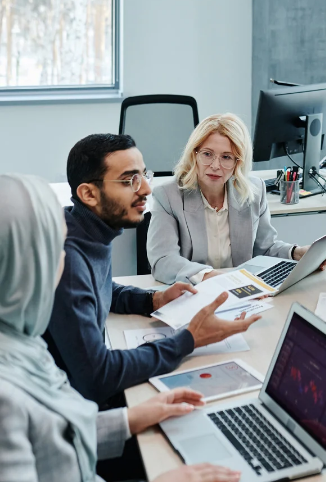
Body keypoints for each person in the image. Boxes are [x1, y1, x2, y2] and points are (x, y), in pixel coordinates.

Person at [0, 172, 241, 482]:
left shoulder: (23, 342)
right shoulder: (6, 395)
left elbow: (55, 435)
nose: (64, 260)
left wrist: (130, 418)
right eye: (56, 249)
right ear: (22, 263)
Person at [45, 133, 260, 407]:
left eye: (144, 174)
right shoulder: (69, 259)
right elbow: (97, 375)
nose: (146, 188)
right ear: (88, 194)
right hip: (70, 412)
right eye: (129, 180)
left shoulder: (85, 228)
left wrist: (152, 300)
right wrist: (189, 340)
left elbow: (100, 287)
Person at [148, 113, 326, 285]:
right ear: (194, 154)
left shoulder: (254, 191)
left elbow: (264, 248)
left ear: (238, 163)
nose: (215, 166)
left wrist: (297, 253)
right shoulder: (168, 196)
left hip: (241, 294)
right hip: (192, 293)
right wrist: (210, 276)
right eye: (207, 154)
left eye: (226, 157)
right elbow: (163, 260)